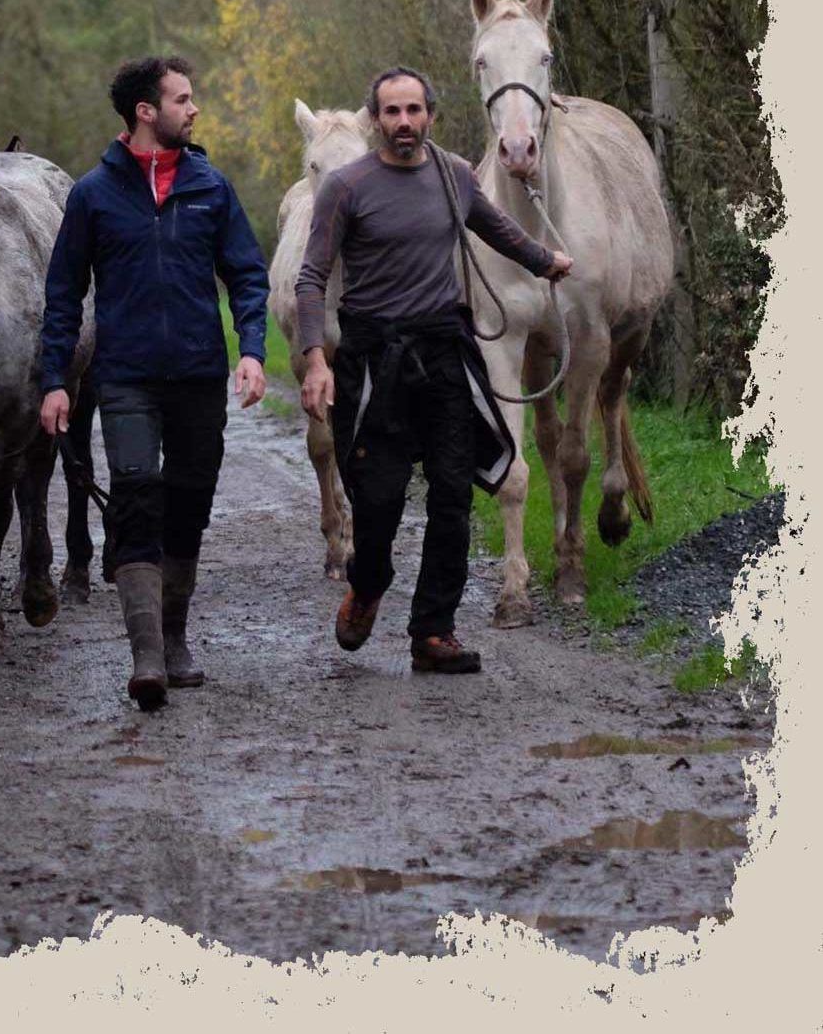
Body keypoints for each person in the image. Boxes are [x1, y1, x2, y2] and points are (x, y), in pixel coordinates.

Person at [295, 66, 573, 675]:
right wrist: (317, 358)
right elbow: (312, 276)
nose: (403, 122)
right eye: (391, 112)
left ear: (431, 116)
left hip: (444, 348)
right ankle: (368, 585)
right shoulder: (345, 187)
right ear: (375, 121)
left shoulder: (454, 176)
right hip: (374, 357)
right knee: (379, 499)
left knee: (453, 492)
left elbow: (495, 230)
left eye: (414, 110)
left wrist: (544, 260)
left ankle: (433, 631)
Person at [39, 56, 270, 710]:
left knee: (189, 502)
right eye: (182, 99)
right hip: (127, 377)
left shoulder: (210, 186)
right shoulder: (93, 195)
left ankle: (174, 636)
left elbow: (248, 276)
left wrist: (250, 350)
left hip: (198, 375)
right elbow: (62, 296)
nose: (193, 109)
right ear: (146, 110)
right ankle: (145, 657)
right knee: (136, 495)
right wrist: (54, 380)